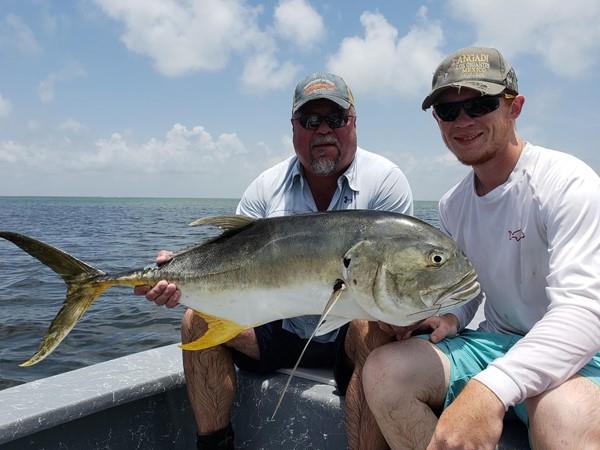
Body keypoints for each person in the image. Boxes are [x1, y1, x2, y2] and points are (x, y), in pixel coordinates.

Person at [135, 72, 414, 450]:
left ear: (354, 122)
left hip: (346, 338)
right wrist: (180, 272)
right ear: (294, 128)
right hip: (278, 330)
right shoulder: (266, 188)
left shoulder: (384, 182)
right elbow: (227, 259)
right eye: (311, 121)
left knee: (371, 328)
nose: (324, 131)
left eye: (335, 119)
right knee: (196, 321)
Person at [362, 46, 600, 450]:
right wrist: (452, 315)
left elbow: (583, 313)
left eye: (480, 104)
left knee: (565, 414)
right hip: (497, 343)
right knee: (384, 371)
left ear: (515, 107)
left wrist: (491, 388)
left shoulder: (568, 182)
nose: (464, 121)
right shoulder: (452, 204)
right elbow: (469, 283)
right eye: (448, 111)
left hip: (580, 354)